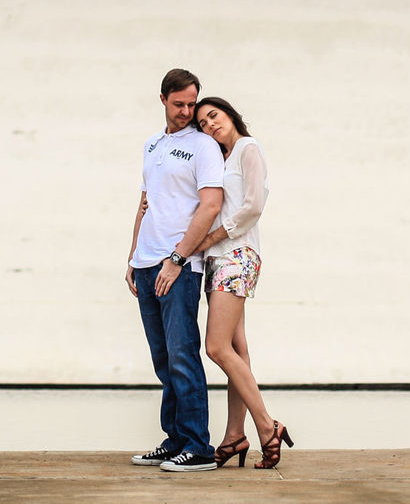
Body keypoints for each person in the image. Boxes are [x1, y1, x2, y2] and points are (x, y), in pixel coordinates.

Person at [126, 68, 225, 472]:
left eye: (191, 104)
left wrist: (178, 258)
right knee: (163, 359)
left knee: (183, 354)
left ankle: (199, 446)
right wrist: (132, 257)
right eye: (178, 104)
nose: (186, 111)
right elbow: (145, 202)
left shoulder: (203, 147)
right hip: (146, 263)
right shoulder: (151, 144)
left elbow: (211, 206)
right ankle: (175, 440)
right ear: (163, 99)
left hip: (178, 266)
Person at [192, 95, 293, 469]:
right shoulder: (220, 159)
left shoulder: (249, 148)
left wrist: (214, 236)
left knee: (216, 348)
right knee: (236, 347)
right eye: (202, 124)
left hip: (237, 256)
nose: (209, 125)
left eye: (213, 116)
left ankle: (267, 427)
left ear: (230, 114)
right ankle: (235, 435)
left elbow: (253, 205)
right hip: (218, 260)